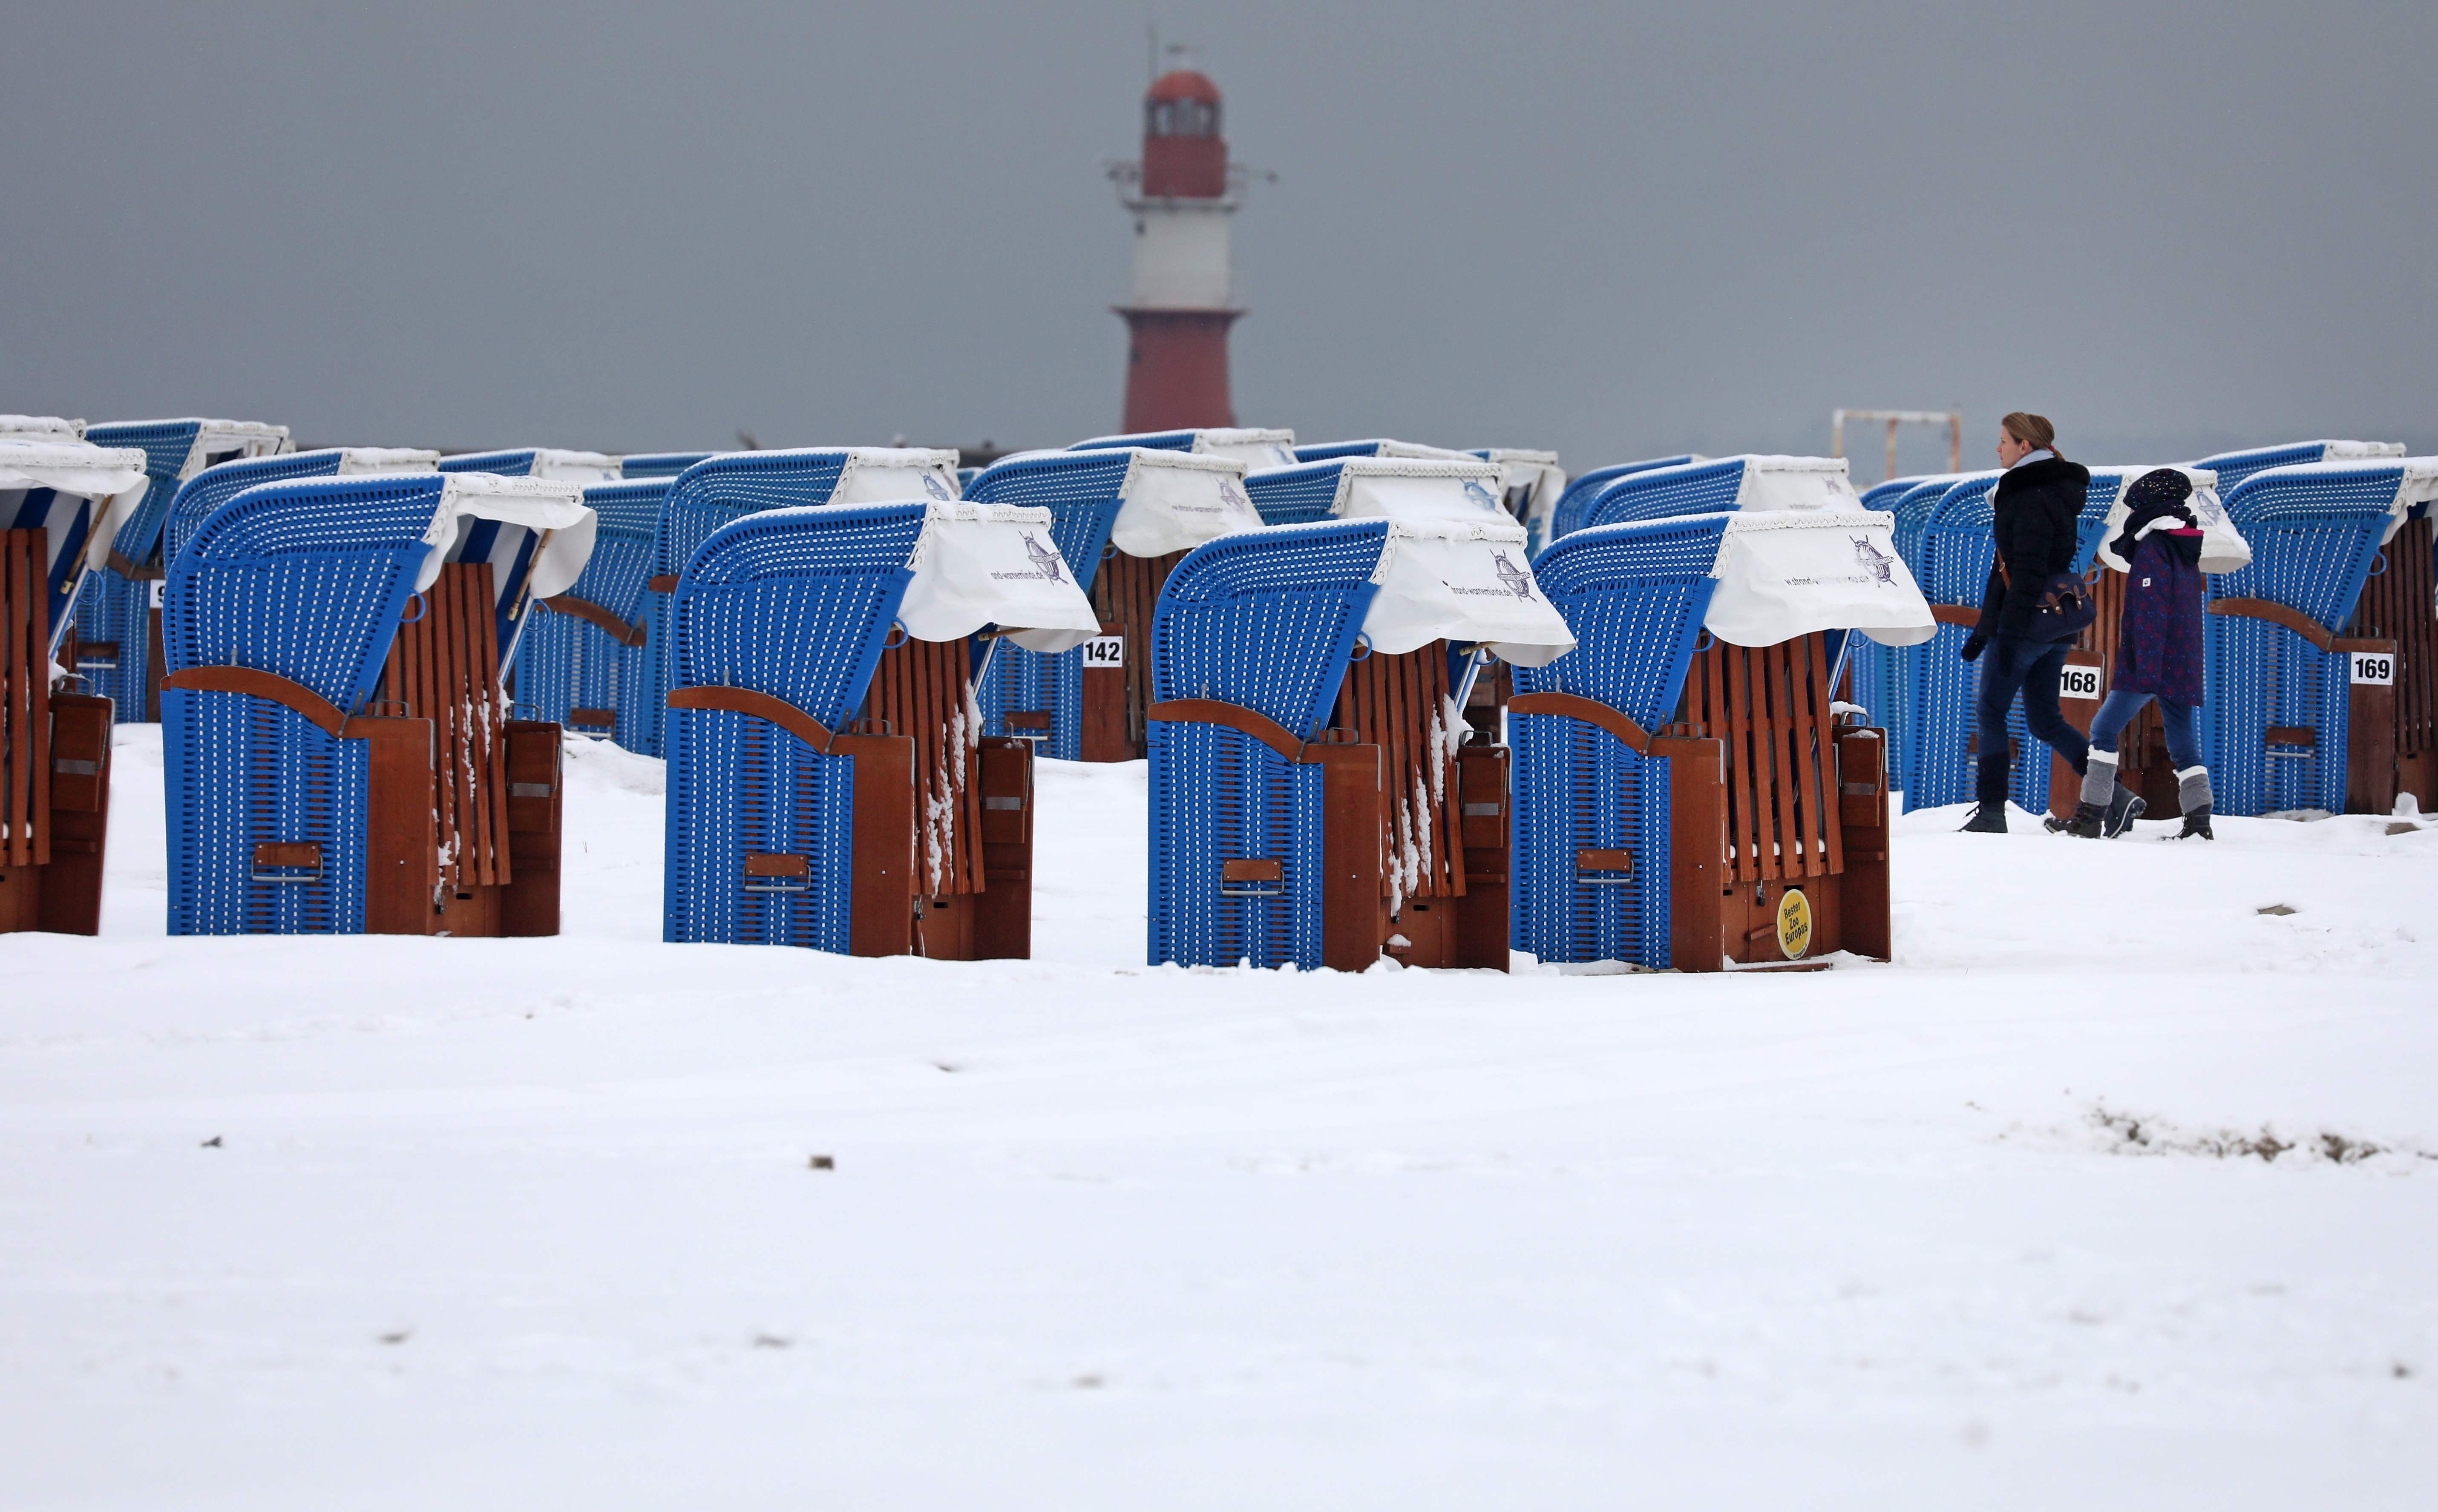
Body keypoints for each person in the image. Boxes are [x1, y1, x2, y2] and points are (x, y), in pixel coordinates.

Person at [1957, 413, 2094, 834]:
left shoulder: (2028, 495)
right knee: (2043, 720)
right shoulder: (2050, 489)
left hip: (2028, 626)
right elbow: (2008, 569)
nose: (1996, 448)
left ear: (2024, 447)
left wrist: (2009, 635)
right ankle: (2112, 796)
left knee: (1991, 711)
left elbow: (2027, 574)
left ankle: (1991, 811)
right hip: (2055, 624)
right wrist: (1984, 629)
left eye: (2002, 441)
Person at [2066, 468, 2213, 839]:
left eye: (2135, 507)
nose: (2130, 516)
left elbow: (2150, 611)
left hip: (2152, 662)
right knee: (2182, 740)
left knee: (2102, 730)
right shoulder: (2183, 546)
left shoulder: (2152, 547)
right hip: (2182, 659)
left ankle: (2091, 816)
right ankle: (2199, 822)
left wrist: (2145, 670)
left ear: (2148, 505)